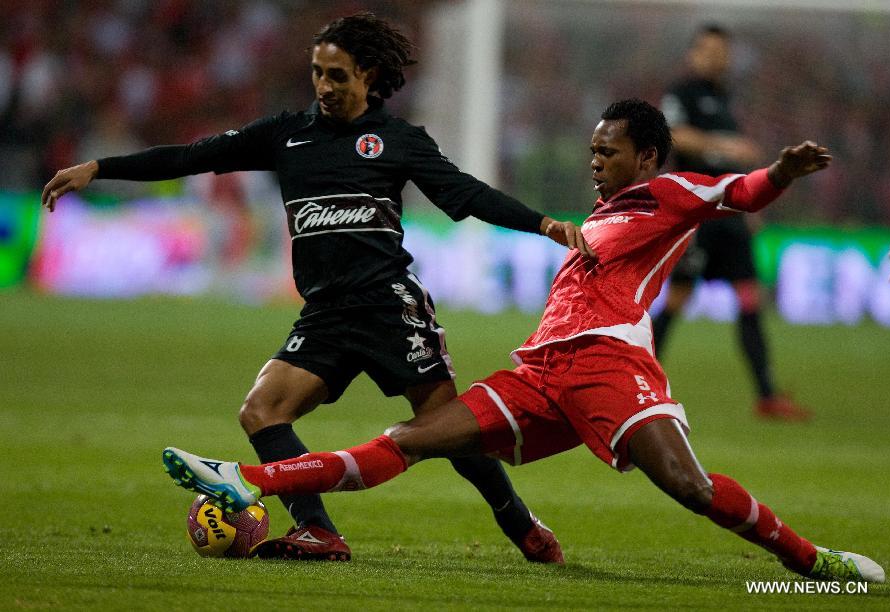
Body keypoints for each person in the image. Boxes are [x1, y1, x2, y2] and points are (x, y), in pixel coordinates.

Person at [161, 99, 884, 583]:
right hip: (540, 373)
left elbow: (742, 190)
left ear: (648, 157)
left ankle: (813, 562)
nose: (595, 161)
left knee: (690, 489)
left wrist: (782, 172)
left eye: (609, 152)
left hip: (611, 366)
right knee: (408, 437)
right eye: (592, 150)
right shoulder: (599, 213)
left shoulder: (668, 197)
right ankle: (243, 480)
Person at [42, 13, 595, 564]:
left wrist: (544, 224)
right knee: (260, 412)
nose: (325, 87)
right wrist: (99, 166)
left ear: (368, 75)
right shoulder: (288, 135)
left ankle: (520, 525)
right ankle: (317, 531)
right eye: (317, 73)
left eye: (338, 76)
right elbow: (194, 156)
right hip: (325, 313)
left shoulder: (397, 140)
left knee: (444, 430)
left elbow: (467, 193)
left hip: (388, 305)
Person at [655, 24, 810, 421]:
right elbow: (673, 136)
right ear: (693, 54)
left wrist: (751, 208)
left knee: (749, 296)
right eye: (707, 50)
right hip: (697, 212)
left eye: (721, 50)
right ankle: (633, 382)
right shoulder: (682, 93)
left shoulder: (724, 98)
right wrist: (725, 145)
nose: (715, 57)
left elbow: (736, 162)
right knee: (677, 299)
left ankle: (767, 394)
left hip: (731, 213)